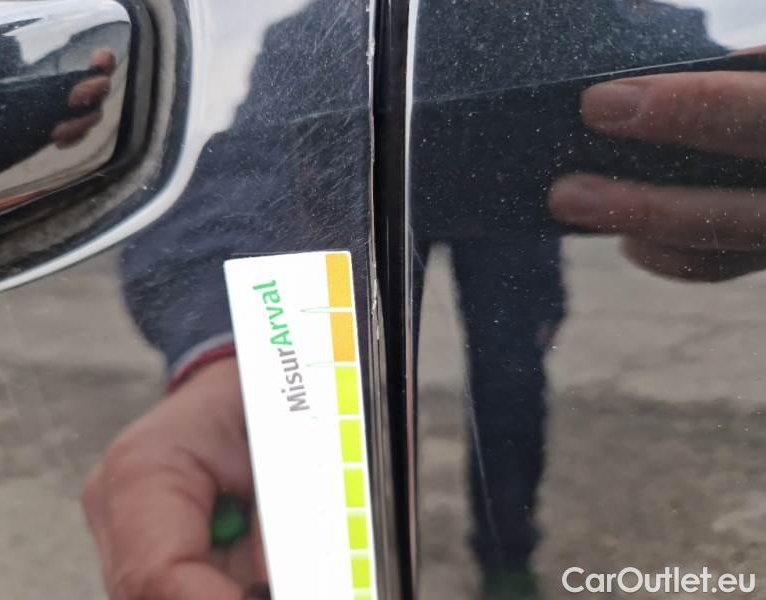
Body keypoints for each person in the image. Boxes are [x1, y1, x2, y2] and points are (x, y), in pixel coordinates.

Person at [80, 1, 766, 598]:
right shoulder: (339, 29)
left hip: (500, 207)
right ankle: (460, 554)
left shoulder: (347, 28)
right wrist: (240, 355)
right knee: (371, 384)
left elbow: (242, 161)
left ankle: (504, 557)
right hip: (431, 192)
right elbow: (246, 164)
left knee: (504, 385)